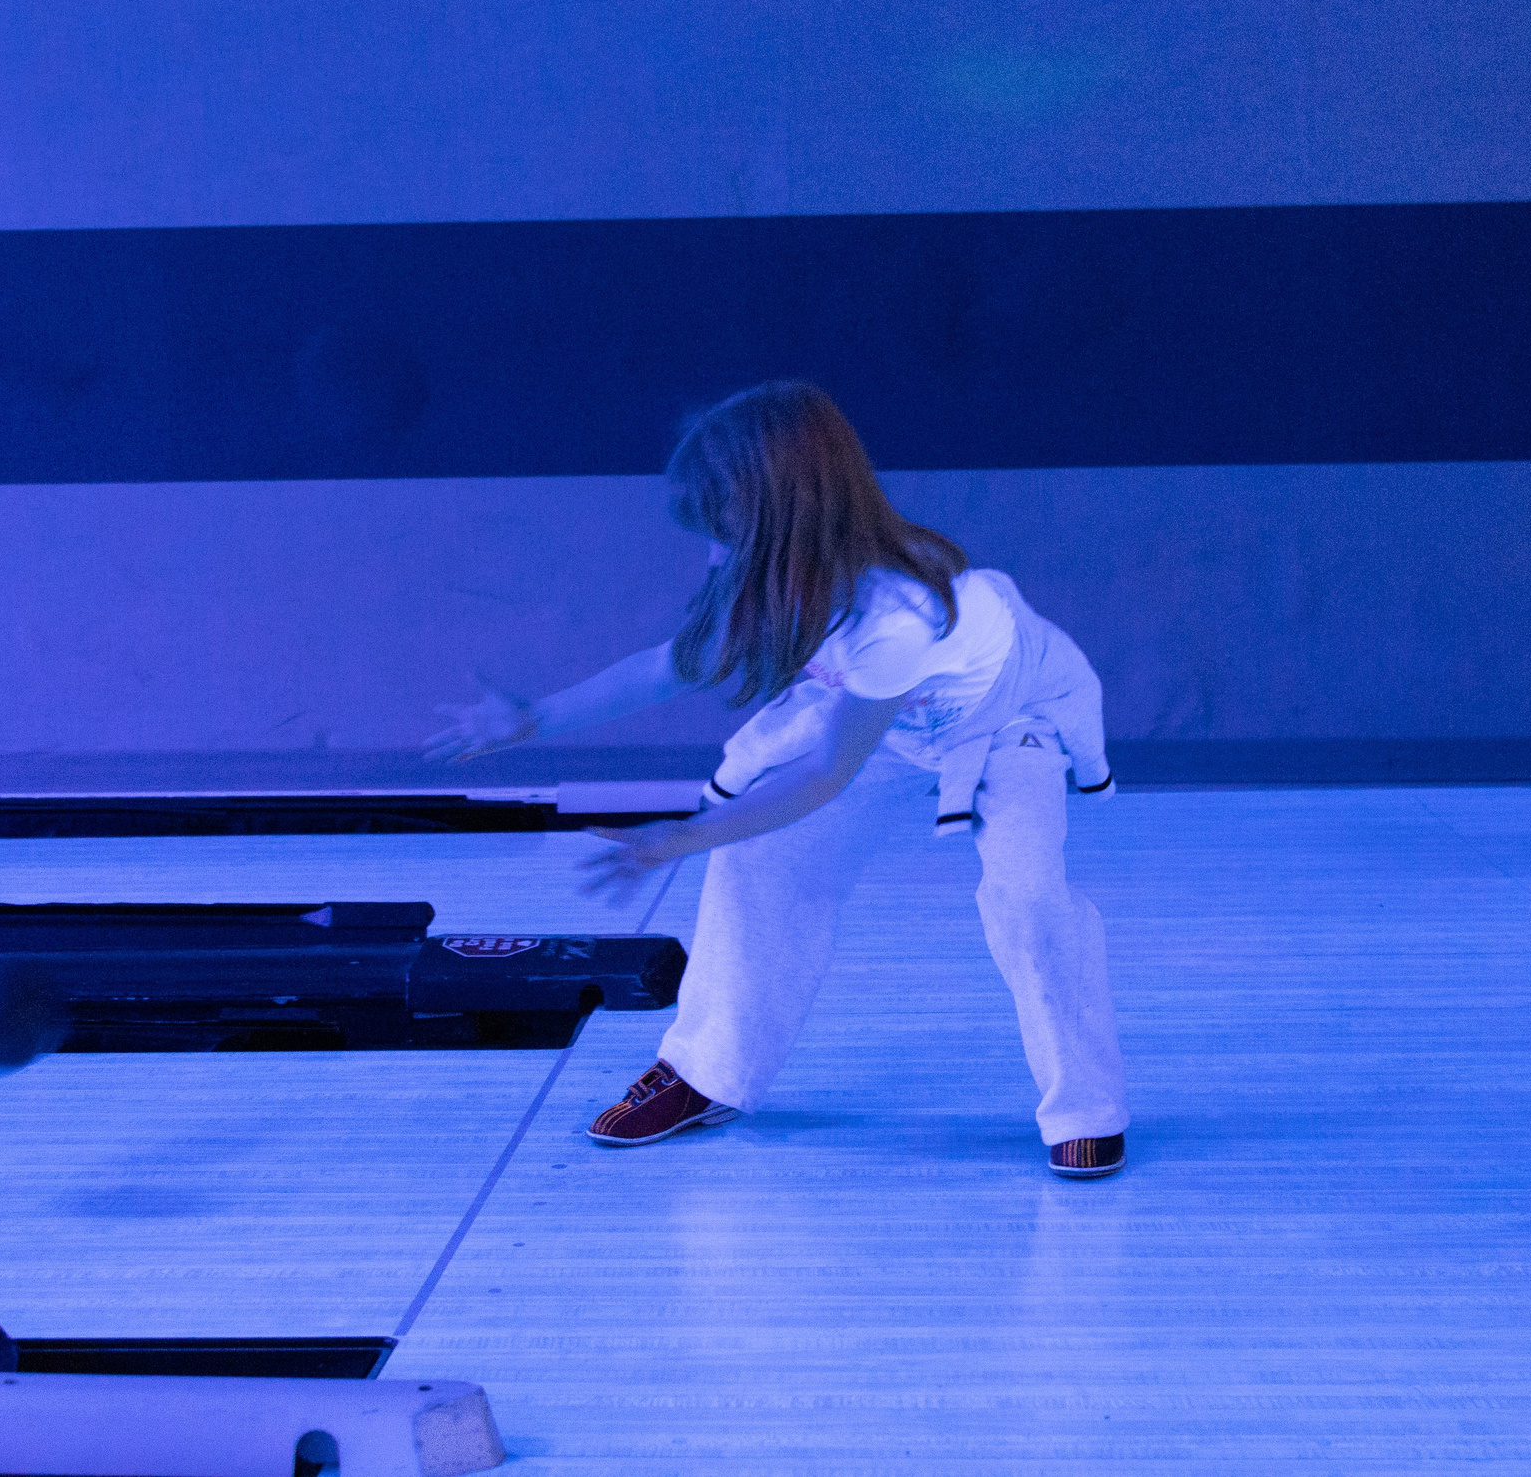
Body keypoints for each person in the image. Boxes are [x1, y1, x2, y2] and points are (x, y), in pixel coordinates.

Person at [428, 381, 1129, 1179]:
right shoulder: (785, 579)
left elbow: (828, 773)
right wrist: (533, 717)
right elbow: (669, 666)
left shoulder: (899, 616)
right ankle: (709, 1070)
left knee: (1027, 895)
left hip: (1008, 717)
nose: (712, 555)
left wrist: (681, 836)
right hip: (891, 719)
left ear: (782, 519)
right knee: (761, 855)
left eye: (722, 533)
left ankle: (1087, 1106)